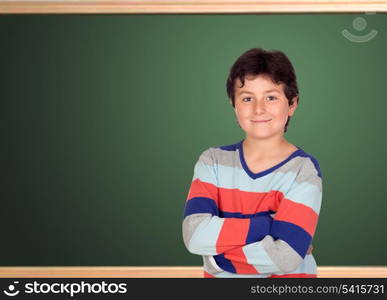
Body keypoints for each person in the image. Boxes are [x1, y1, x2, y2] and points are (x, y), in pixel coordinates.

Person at [182, 47, 323, 278]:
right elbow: (195, 235)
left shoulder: (303, 169)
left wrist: (215, 259)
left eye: (271, 97)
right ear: (233, 104)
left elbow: (286, 257)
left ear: (292, 104)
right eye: (247, 98)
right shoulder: (212, 162)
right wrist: (269, 225)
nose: (259, 109)